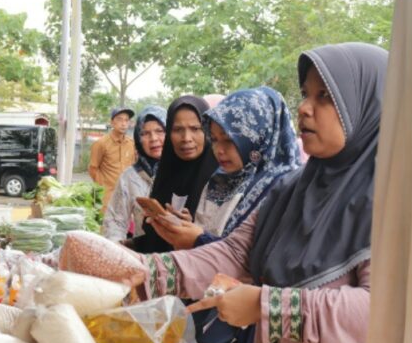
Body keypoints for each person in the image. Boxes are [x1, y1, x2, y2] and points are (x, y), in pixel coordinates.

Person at [105, 42, 388, 343]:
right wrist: (142, 270)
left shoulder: (394, 203)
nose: (303, 108)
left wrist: (266, 306)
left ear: (368, 107)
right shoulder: (293, 190)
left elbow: (379, 312)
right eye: (305, 94)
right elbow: (234, 252)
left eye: (325, 97)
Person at [147, 87, 301, 251]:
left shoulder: (284, 191)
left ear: (258, 137)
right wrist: (185, 230)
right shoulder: (217, 181)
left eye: (229, 140)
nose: (218, 150)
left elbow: (254, 260)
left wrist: (198, 239)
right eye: (213, 139)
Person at [129, 96, 217, 254]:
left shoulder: (222, 180)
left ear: (208, 130)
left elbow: (230, 248)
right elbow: (151, 240)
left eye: (195, 129)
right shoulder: (164, 175)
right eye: (177, 130)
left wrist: (192, 233)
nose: (186, 138)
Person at [101, 106, 166, 241]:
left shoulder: (184, 171)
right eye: (145, 133)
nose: (153, 138)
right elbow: (115, 221)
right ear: (138, 137)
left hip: (180, 257)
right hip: (141, 257)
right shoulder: (130, 176)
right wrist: (118, 251)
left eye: (160, 131)